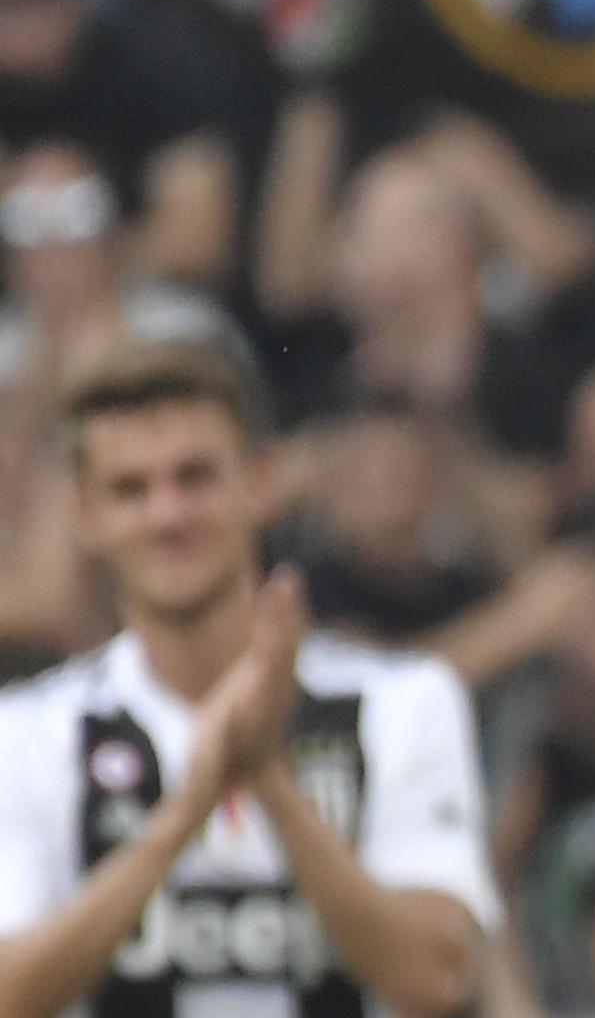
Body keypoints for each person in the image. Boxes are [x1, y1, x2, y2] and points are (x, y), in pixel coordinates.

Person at [0, 343, 501, 1017]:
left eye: (195, 477)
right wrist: (180, 818)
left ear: (260, 483)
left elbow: (438, 981)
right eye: (131, 489)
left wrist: (268, 777)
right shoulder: (31, 732)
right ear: (84, 515)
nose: (167, 514)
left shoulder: (400, 703)